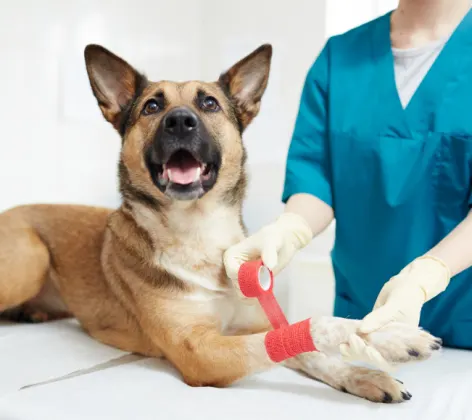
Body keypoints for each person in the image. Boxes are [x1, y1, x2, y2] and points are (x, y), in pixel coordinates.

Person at [224, 0, 472, 365]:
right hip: (366, 331)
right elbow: (316, 178)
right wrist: (290, 230)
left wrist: (425, 276)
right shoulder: (338, 60)